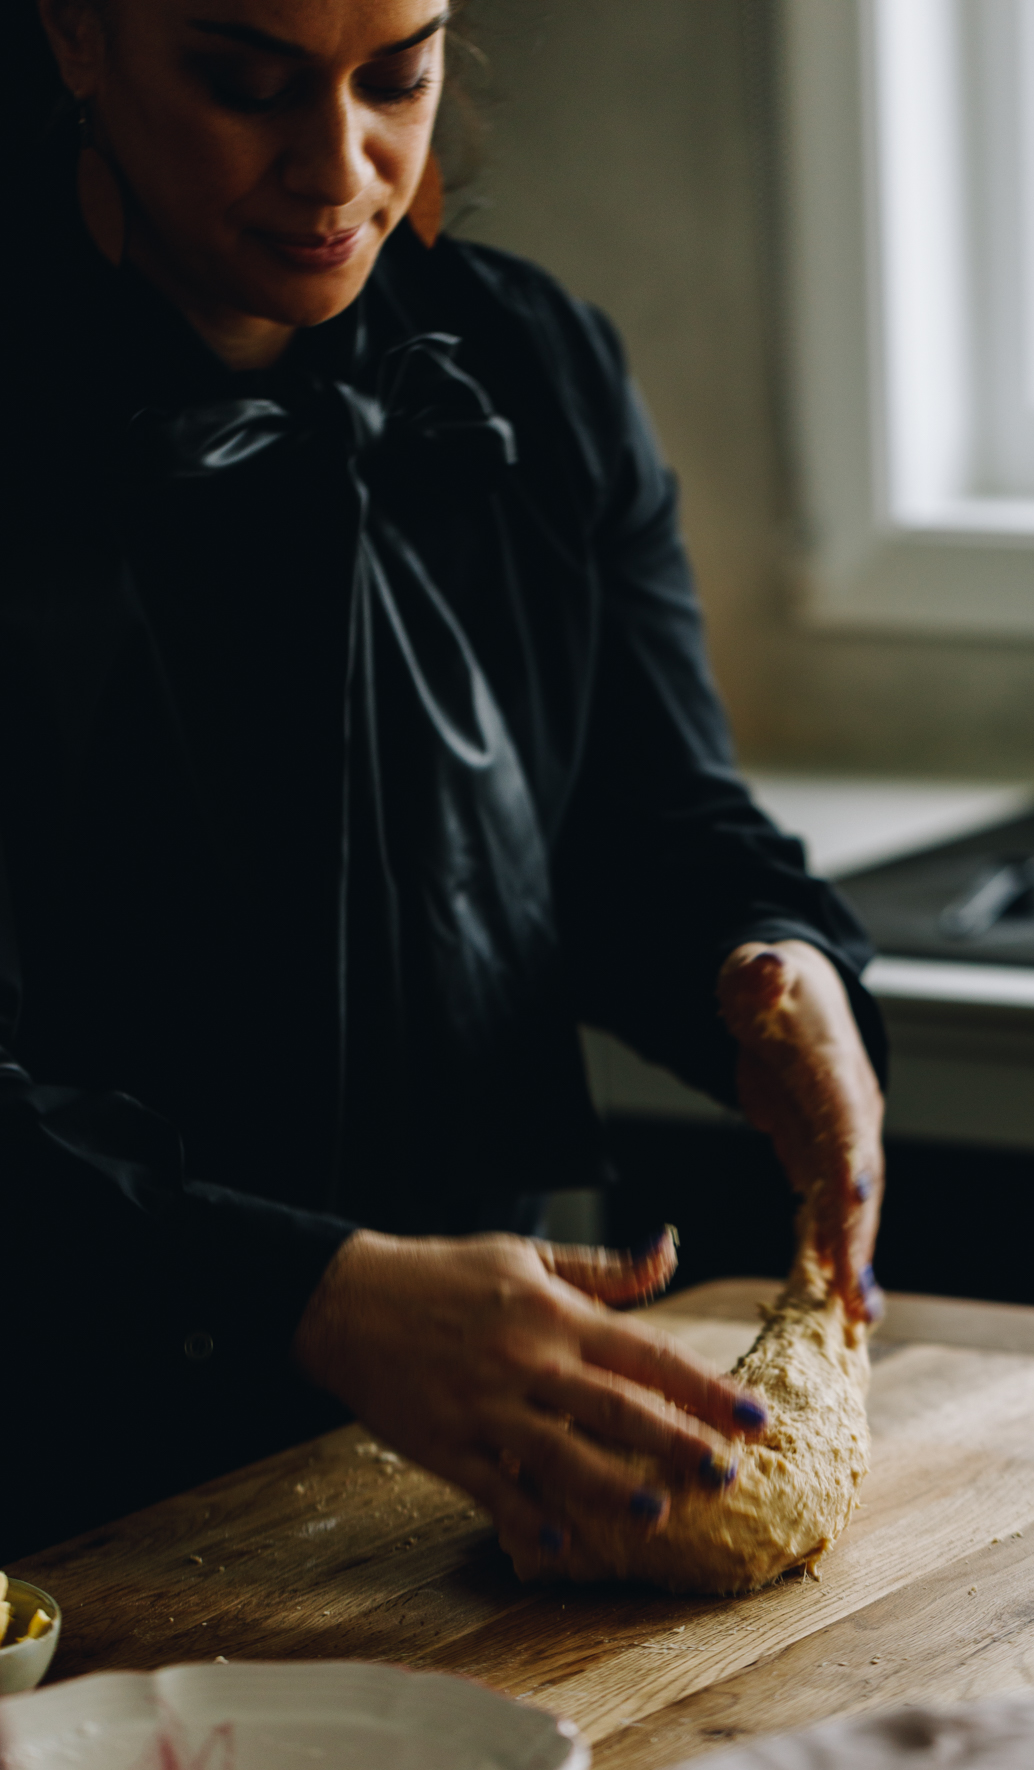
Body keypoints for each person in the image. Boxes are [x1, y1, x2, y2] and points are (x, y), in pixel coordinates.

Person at [0, 0, 886, 1563]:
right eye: (245, 83)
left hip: (456, 1467)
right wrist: (302, 1291)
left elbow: (652, 824)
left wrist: (777, 964)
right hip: (59, 1473)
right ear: (77, 35)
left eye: (396, 75)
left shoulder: (532, 365)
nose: (338, 167)